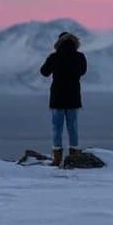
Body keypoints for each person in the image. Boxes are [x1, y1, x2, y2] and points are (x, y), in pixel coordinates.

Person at [39, 31, 87, 167]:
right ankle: (74, 157)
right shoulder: (80, 56)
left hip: (57, 97)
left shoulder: (54, 56)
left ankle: (57, 159)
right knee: (73, 127)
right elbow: (83, 71)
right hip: (73, 97)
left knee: (57, 128)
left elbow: (44, 72)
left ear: (59, 42)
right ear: (75, 42)